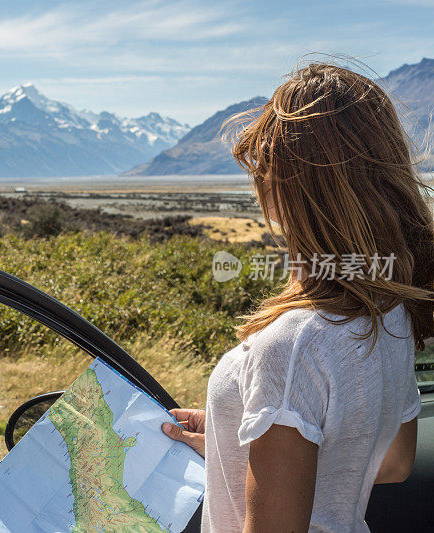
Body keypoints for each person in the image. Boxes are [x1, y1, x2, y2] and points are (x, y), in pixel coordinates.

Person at [162, 62, 431, 532]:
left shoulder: (290, 348)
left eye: (262, 168)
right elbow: (391, 462)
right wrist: (237, 436)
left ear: (286, 188)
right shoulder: (390, 308)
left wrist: (273, 422)